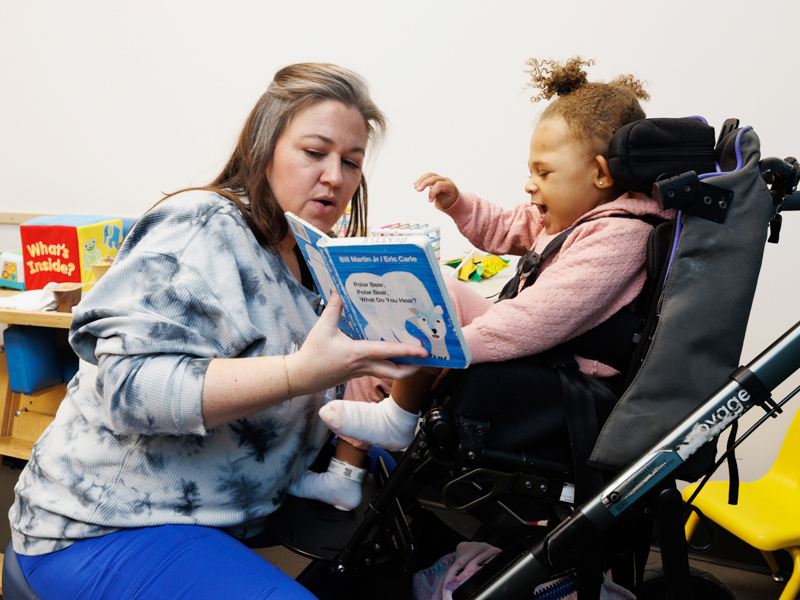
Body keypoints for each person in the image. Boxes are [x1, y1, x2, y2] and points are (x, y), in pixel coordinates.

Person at [7, 62, 428, 599]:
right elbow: (129, 389)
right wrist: (301, 373)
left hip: (224, 517)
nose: (335, 176)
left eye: (351, 161)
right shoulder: (202, 225)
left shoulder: (312, 256)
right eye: (314, 152)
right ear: (264, 147)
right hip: (106, 524)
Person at [309, 57, 676, 507]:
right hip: (542, 353)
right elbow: (506, 226)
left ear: (601, 173)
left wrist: (446, 345)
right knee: (408, 311)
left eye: (543, 172)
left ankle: (397, 419)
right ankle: (344, 474)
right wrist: (460, 204)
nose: (529, 185)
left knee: (432, 307)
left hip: (558, 369)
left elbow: (538, 320)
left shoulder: (619, 235)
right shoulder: (569, 219)